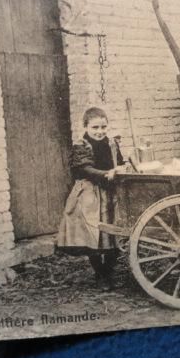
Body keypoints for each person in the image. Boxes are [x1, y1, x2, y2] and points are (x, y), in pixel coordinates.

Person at [56, 107, 125, 289]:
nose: (100, 132)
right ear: (85, 127)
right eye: (95, 127)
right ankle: (100, 273)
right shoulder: (81, 146)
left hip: (111, 193)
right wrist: (106, 174)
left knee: (115, 233)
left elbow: (120, 162)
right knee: (92, 233)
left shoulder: (111, 143)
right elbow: (85, 169)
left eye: (103, 127)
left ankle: (108, 270)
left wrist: (121, 169)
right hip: (89, 193)